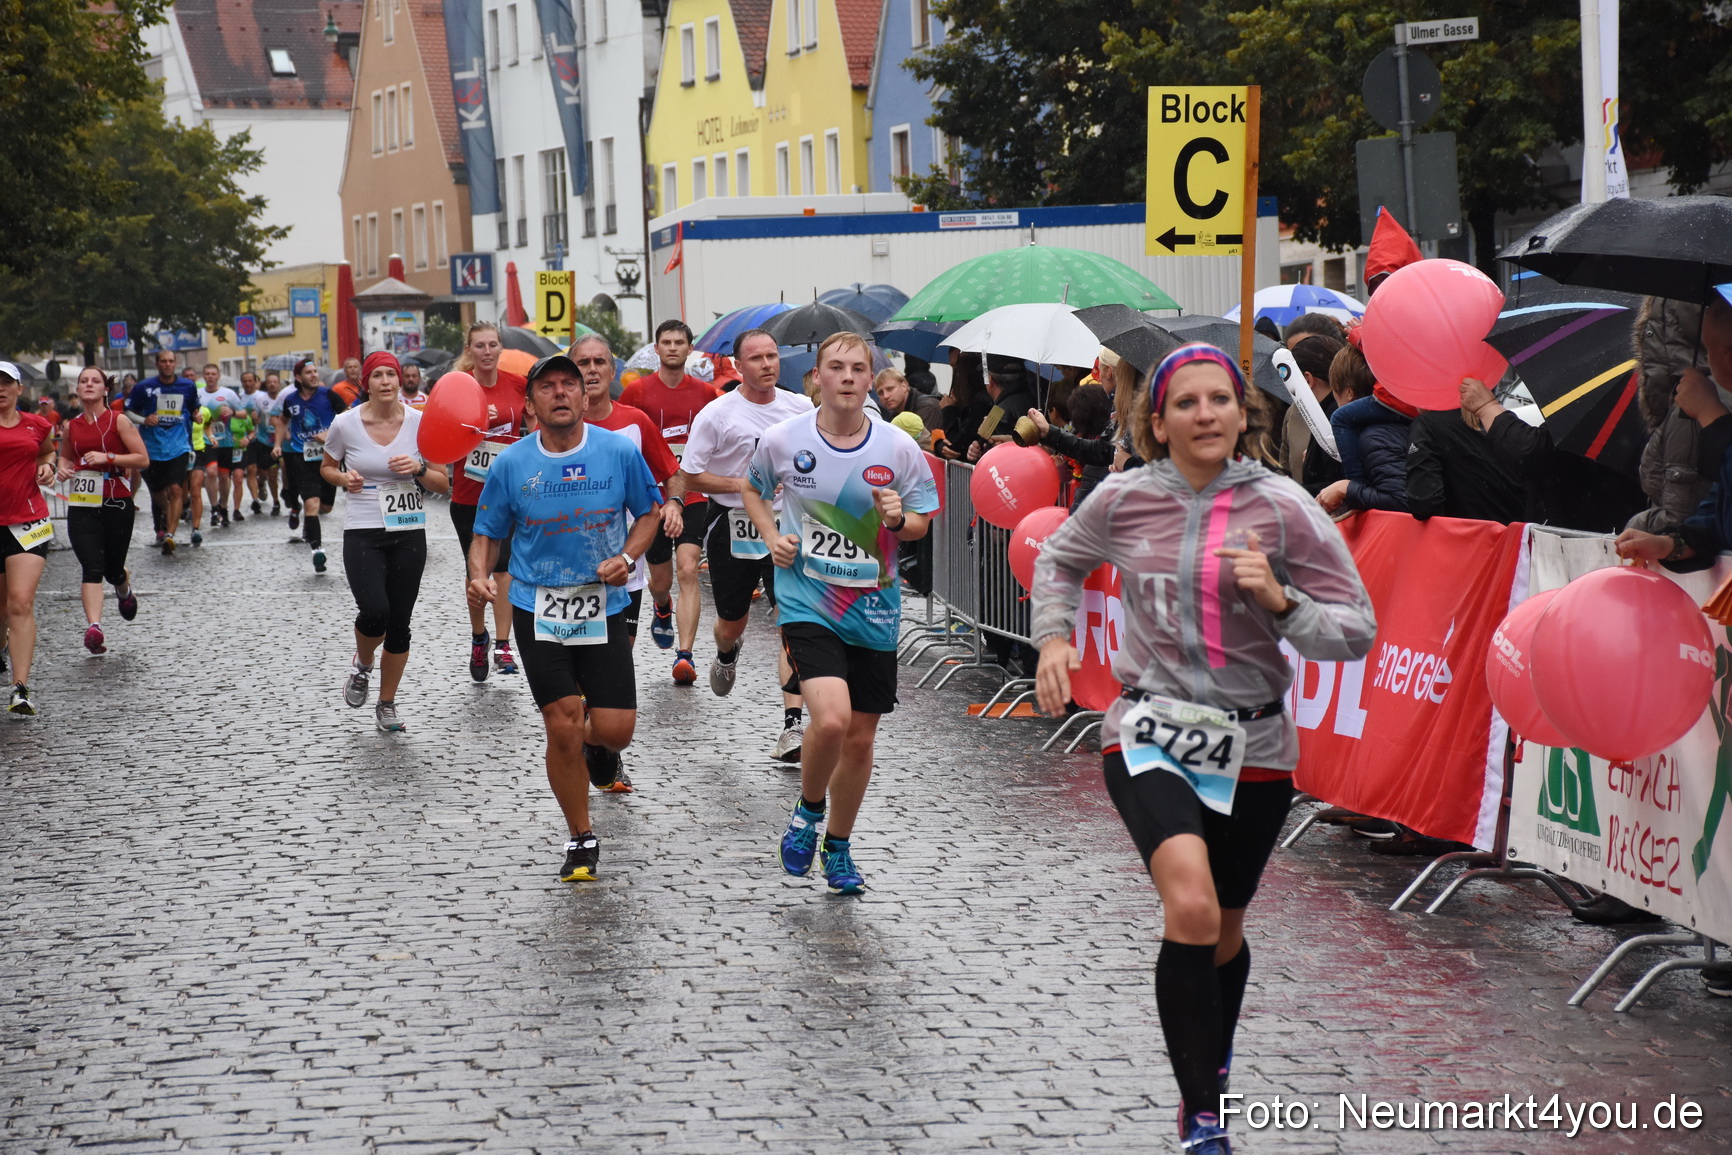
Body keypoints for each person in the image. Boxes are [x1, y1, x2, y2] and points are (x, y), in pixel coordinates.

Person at [1029, 343, 1376, 1154]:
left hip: (1255, 741)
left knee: (1221, 930)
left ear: (1242, 411)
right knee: (1187, 904)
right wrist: (1052, 639)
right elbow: (1059, 558)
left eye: (1219, 399)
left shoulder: (1285, 507)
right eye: (1186, 403)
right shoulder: (1123, 500)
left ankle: (1209, 1064)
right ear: (1159, 419)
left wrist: (1281, 599)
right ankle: (1201, 1117)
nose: (1205, 414)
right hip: (1150, 730)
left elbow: (1354, 630)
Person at [742, 332, 939, 895]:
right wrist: (771, 533)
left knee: (859, 739)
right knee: (829, 719)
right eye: (837, 367)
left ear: (870, 379)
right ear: (817, 379)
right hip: (808, 600)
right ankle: (807, 813)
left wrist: (901, 520)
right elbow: (752, 489)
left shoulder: (898, 449)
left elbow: (924, 518)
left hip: (874, 608)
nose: (849, 377)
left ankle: (840, 845)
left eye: (859, 368)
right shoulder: (783, 439)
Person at [469, 353, 664, 880]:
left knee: (615, 730)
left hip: (604, 604)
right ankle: (580, 837)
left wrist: (626, 558)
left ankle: (601, 753)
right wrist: (479, 572)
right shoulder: (512, 463)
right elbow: (486, 530)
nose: (559, 393)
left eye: (568, 385)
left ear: (584, 396)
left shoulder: (619, 451)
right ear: (531, 403)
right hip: (538, 607)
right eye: (547, 387)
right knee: (562, 725)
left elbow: (650, 512)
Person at [680, 327, 813, 760]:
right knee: (732, 621)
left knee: (790, 618)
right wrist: (743, 484)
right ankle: (725, 651)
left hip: (786, 524)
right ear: (738, 366)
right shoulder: (718, 414)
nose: (767, 365)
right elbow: (690, 474)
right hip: (731, 523)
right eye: (756, 358)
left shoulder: (799, 408)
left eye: (773, 356)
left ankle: (793, 726)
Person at [321, 351, 451, 731]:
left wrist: (419, 468)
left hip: (408, 530)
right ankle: (363, 664)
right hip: (362, 530)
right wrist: (345, 479)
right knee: (375, 610)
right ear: (367, 382)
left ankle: (387, 702)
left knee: (400, 623)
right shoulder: (345, 424)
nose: (386, 382)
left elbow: (443, 481)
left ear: (399, 381)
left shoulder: (420, 423)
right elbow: (327, 468)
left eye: (391, 375)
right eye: (377, 375)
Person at [570, 334, 683, 658]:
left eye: (599, 362)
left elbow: (671, 472)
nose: (592, 370)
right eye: (583, 363)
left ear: (611, 371)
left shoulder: (635, 422)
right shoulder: (555, 426)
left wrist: (673, 504)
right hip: (569, 556)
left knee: (619, 650)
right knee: (576, 651)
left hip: (628, 550)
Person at [618, 320, 718, 682]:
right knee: (660, 582)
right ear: (656, 349)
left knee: (689, 568)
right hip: (651, 501)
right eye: (666, 342)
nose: (673, 347)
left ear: (690, 348)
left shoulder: (707, 394)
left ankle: (686, 655)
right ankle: (662, 607)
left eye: (680, 342)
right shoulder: (637, 393)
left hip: (693, 494)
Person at [447, 322, 529, 680]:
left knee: (505, 567)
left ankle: (501, 643)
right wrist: (477, 420)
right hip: (469, 493)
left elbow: (533, 421)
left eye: (493, 344)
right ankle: (478, 637)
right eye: (479, 346)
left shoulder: (516, 384)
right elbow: (444, 436)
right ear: (469, 349)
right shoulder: (457, 387)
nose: (487, 352)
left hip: (507, 493)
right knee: (476, 571)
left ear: (500, 348)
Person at [56, 367, 147, 654]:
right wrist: (61, 470)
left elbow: (142, 459)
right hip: (83, 504)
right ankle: (94, 628)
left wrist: (108, 457)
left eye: (95, 381)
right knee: (91, 567)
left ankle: (123, 586)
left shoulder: (118, 421)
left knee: (111, 569)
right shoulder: (72, 426)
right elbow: (66, 458)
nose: (88, 385)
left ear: (105, 389)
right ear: (78, 389)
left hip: (116, 501)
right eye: (84, 381)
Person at [0, 361, 58, 715]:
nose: (0, 388)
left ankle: (20, 688)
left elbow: (47, 450)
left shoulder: (37, 424)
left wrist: (48, 465)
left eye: (6, 382)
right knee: (1, 608)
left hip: (28, 522)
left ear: (20, 389)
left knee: (20, 602)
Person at [1317, 343, 1411, 515]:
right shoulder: (1387, 429)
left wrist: (1349, 488)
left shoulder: (1375, 438)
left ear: (1349, 393)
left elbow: (1401, 501)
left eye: (1335, 394)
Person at [272, 358, 347, 572]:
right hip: (301, 457)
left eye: (315, 372)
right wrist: (278, 444)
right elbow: (283, 421)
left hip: (329, 458)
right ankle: (317, 551)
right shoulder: (291, 400)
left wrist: (330, 434)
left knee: (326, 506)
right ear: (298, 377)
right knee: (311, 502)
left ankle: (310, 521)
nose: (314, 375)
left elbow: (348, 417)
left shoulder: (329, 395)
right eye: (309, 372)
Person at [127, 351, 199, 554]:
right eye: (163, 361)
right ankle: (166, 516)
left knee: (176, 490)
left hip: (178, 446)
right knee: (158, 494)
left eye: (171, 361)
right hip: (151, 448)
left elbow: (194, 409)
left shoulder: (188, 386)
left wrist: (198, 416)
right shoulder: (144, 387)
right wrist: (144, 420)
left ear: (175, 363)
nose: (167, 365)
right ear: (157, 364)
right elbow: (129, 411)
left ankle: (170, 535)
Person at [1280, 335, 1345, 495]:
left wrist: (1289, 491)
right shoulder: (1337, 410)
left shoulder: (1333, 417)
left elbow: (1333, 486)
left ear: (1308, 379)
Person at [240, 370, 281, 515]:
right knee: (251, 470)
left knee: (270, 473)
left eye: (274, 382)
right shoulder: (257, 400)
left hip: (277, 440)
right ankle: (255, 501)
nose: (271, 384)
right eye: (269, 382)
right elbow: (254, 419)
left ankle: (275, 495)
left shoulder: (284, 398)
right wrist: (254, 418)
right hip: (257, 439)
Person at [874, 367, 940, 447]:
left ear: (904, 386)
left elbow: (925, 448)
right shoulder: (896, 415)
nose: (885, 396)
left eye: (890, 389)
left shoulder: (928, 408)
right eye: (880, 393)